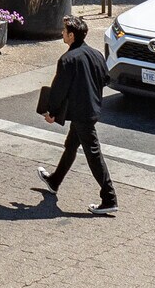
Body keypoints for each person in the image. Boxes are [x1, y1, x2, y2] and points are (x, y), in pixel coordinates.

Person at [37, 15, 117, 214]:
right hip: (92, 109)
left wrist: (52, 113)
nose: (62, 33)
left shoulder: (67, 59)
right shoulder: (96, 54)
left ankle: (109, 198)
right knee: (71, 145)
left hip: (81, 114)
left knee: (93, 154)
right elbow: (106, 78)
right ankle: (55, 181)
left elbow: (58, 90)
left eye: (65, 31)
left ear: (71, 35)